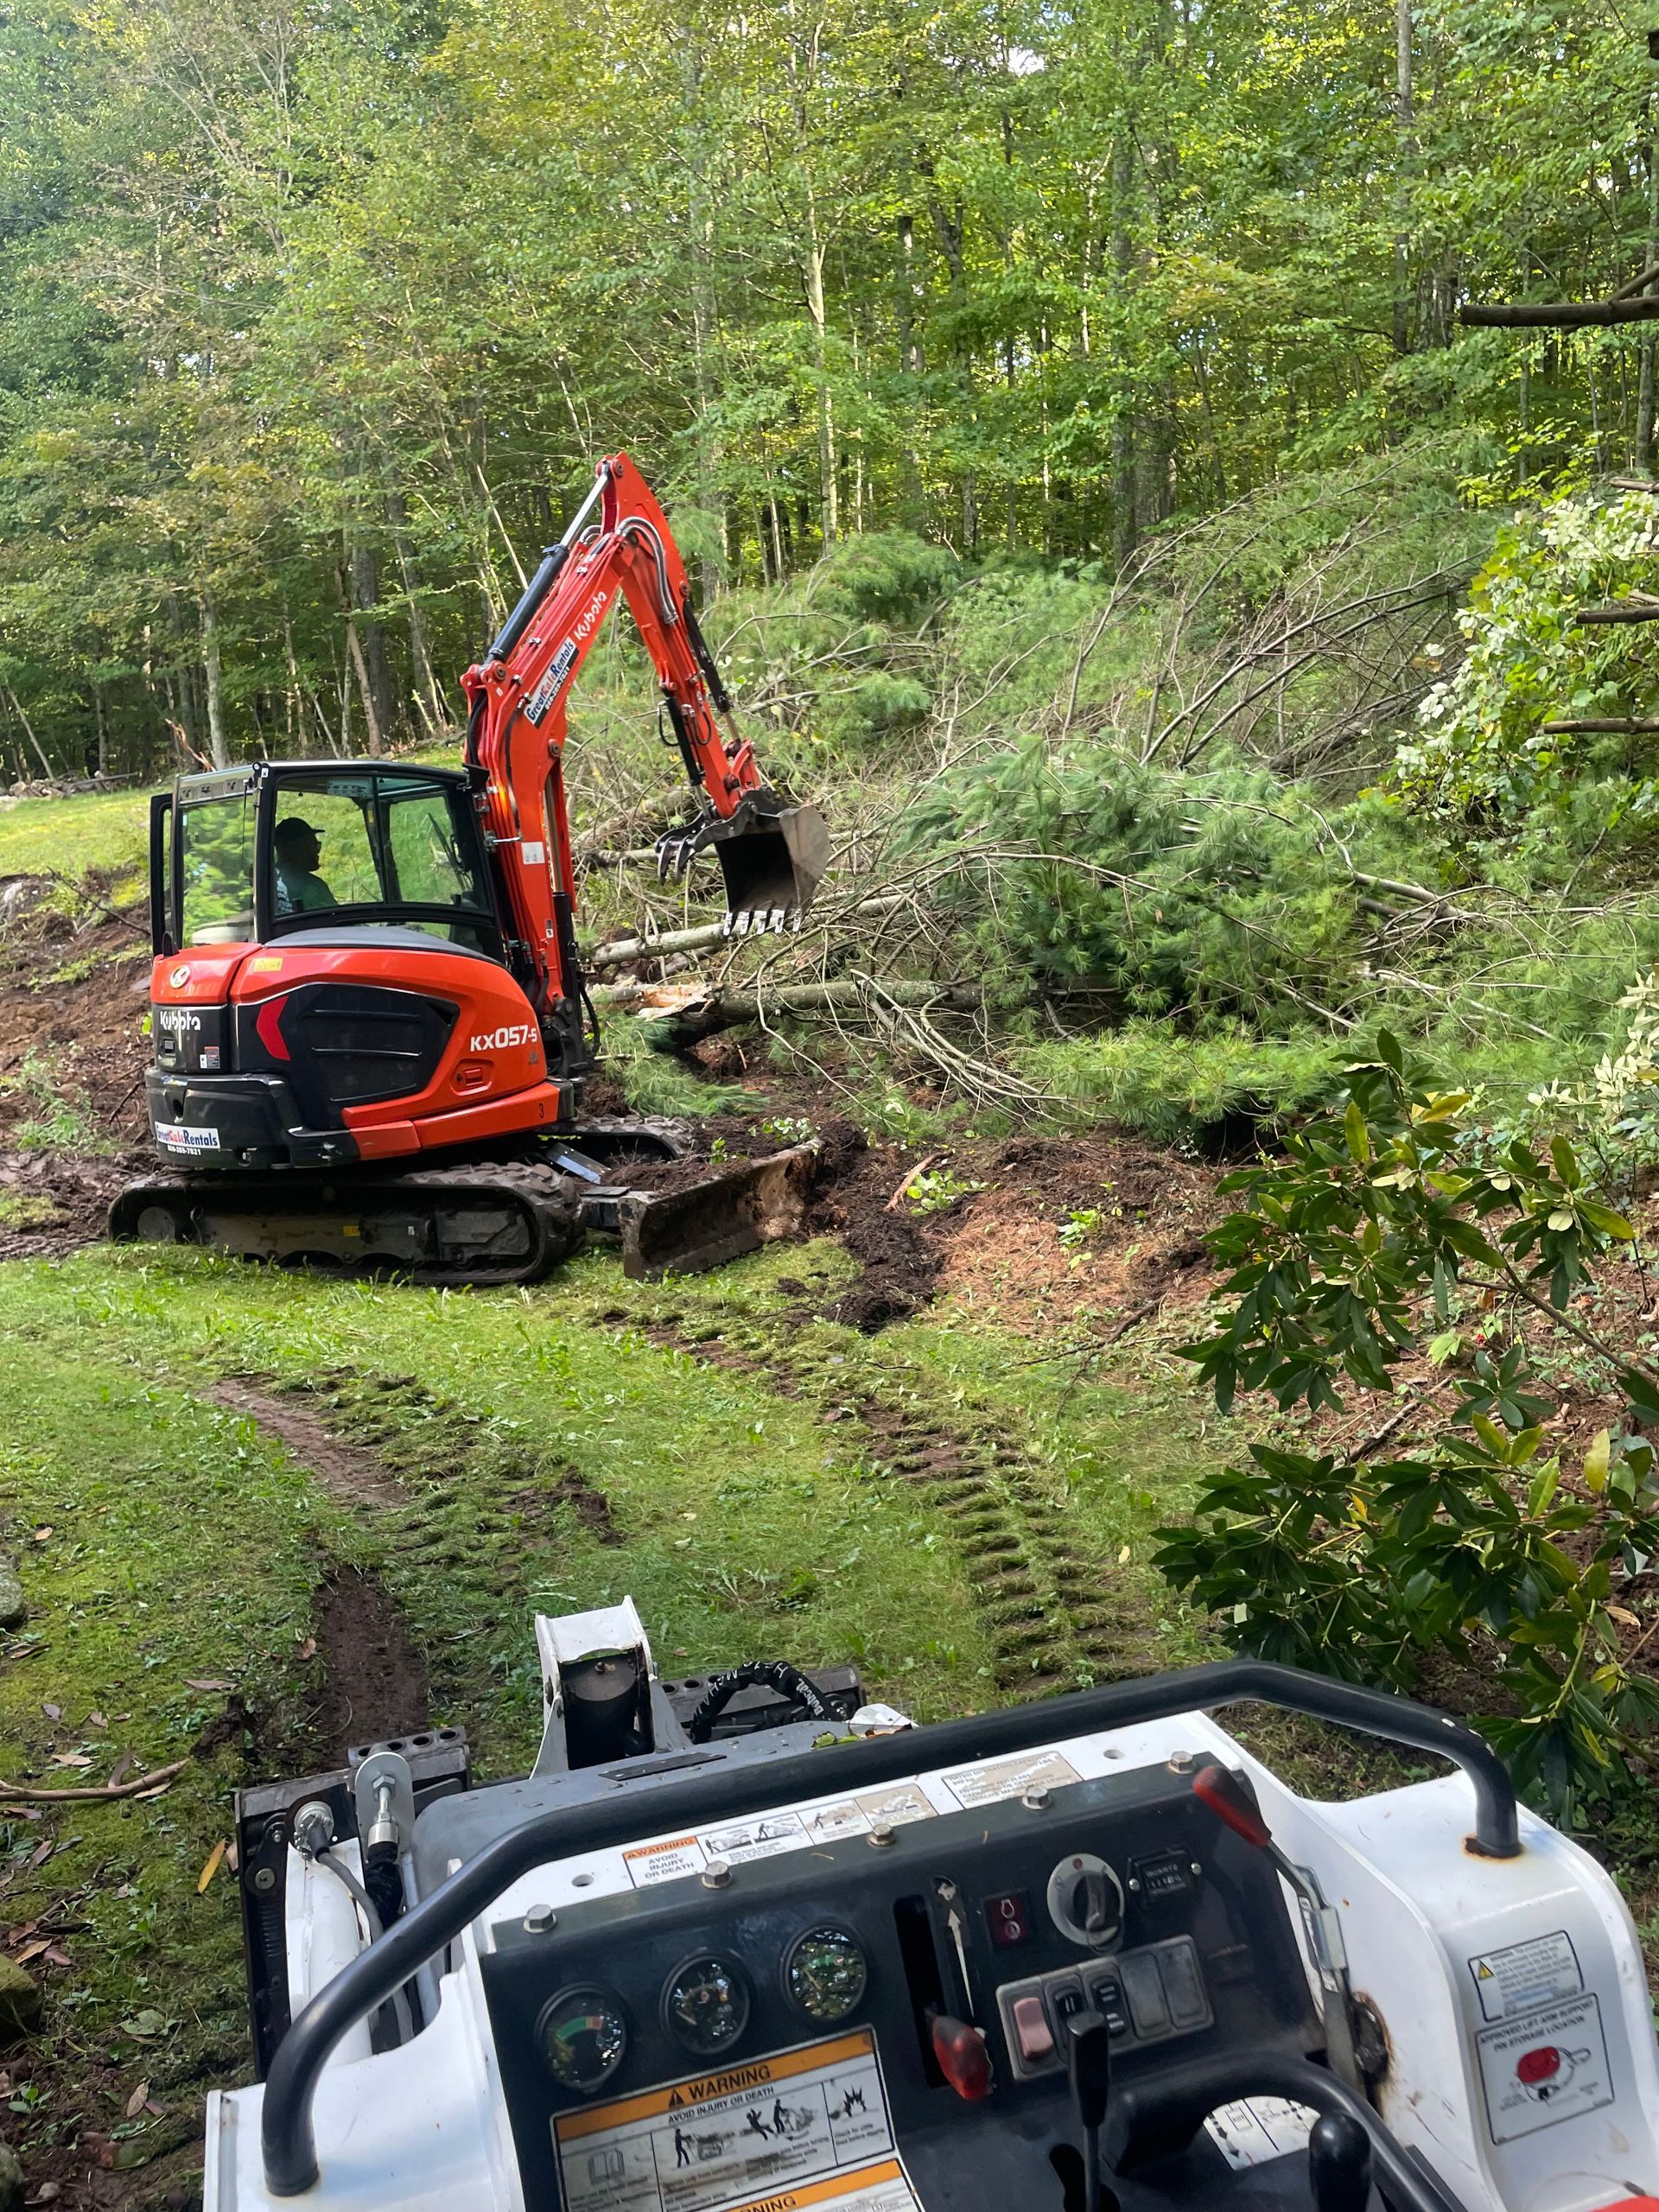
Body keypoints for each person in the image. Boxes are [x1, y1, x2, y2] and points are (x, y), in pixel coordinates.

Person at [273, 817, 336, 914]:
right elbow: (337, 921)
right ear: (295, 848)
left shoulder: (270, 882)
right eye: (314, 845)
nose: (317, 852)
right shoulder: (312, 886)